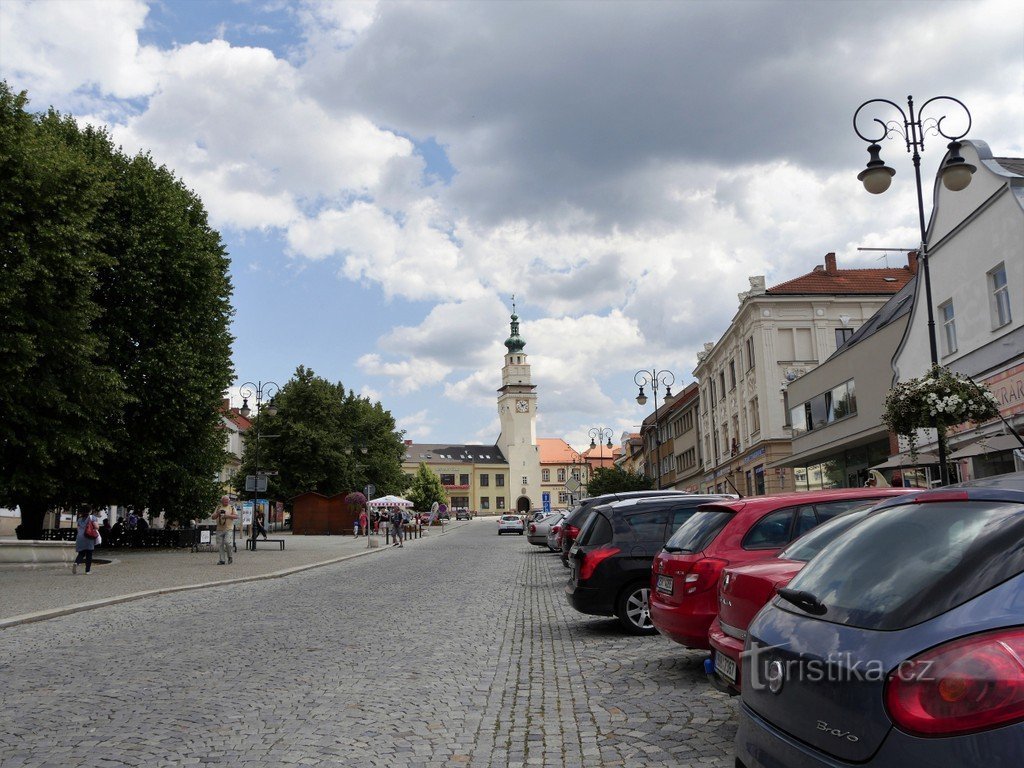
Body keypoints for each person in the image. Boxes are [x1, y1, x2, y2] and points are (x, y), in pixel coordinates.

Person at [72, 508, 100, 575]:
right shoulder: (92, 517)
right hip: (88, 536)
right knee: (89, 554)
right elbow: (96, 527)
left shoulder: (79, 519)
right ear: (90, 511)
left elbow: (78, 529)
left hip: (80, 537)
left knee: (81, 553)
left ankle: (76, 562)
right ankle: (87, 571)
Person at [213, 496, 238, 565]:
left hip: (228, 528)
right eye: (225, 501)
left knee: (227, 543)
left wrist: (228, 515)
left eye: (227, 501)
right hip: (219, 529)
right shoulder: (218, 507)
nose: (226, 502)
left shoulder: (231, 507)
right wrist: (218, 513)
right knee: (220, 545)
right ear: (222, 501)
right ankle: (222, 560)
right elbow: (213, 517)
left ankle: (230, 556)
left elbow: (236, 516)